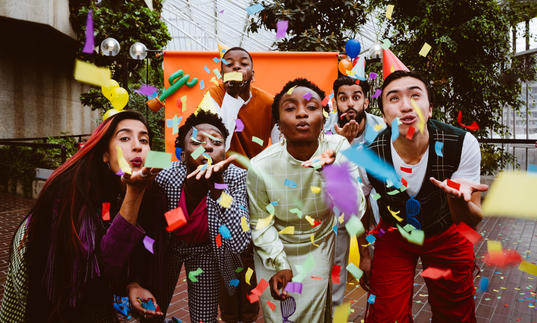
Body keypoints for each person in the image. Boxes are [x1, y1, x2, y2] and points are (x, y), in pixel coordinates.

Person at [0, 110, 165, 322]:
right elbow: (94, 276)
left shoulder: (145, 187)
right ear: (104, 153)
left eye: (144, 140)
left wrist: (131, 283)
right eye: (124, 138)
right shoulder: (71, 192)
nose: (137, 146)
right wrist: (134, 194)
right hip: (46, 295)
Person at [358, 70, 488, 322]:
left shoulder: (462, 144)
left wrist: (457, 201)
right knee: (386, 315)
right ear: (384, 115)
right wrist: (364, 255)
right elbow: (359, 208)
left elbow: (472, 221)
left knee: (455, 313)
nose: (406, 105)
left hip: (447, 232)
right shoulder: (368, 157)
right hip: (395, 234)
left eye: (415, 95)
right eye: (394, 98)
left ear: (429, 109)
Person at [247, 78, 366, 322]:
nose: (302, 113)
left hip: (318, 246)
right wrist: (279, 263)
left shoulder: (339, 147)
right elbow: (261, 223)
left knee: (314, 315)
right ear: (279, 125)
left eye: (312, 107)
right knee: (279, 317)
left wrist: (334, 175)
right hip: (273, 248)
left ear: (323, 119)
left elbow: (354, 209)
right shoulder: (260, 166)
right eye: (290, 108)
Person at [126, 110, 251, 323]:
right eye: (197, 142)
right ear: (183, 154)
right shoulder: (166, 171)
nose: (208, 147)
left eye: (216, 142)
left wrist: (220, 191)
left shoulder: (236, 177)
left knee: (204, 319)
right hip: (167, 249)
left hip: (206, 251)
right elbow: (133, 162)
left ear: (225, 152)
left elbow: (241, 243)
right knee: (151, 313)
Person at [198, 46, 276, 322]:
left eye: (244, 63)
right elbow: (212, 143)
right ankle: (229, 314)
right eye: (229, 63)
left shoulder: (268, 102)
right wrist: (230, 97)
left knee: (251, 255)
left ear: (253, 72)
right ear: (221, 73)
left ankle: (250, 313)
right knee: (226, 253)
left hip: (255, 187)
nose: (236, 66)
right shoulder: (213, 98)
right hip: (220, 184)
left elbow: (279, 148)